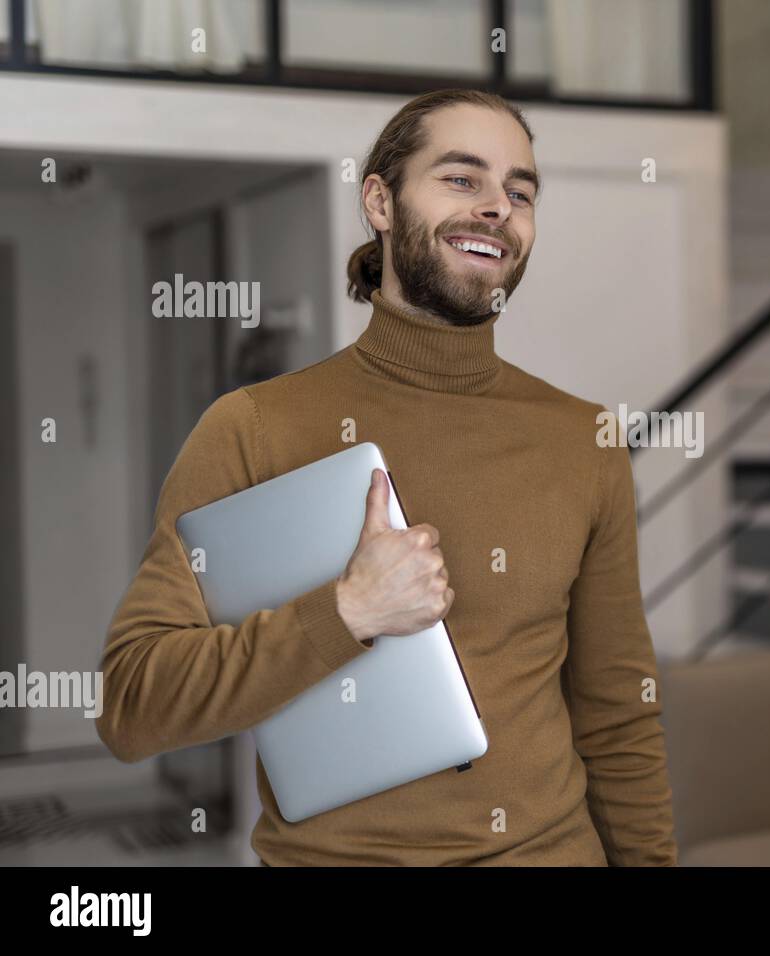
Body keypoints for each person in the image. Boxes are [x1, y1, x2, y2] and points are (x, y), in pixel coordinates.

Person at [96, 89, 678, 866]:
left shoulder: (587, 440)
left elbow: (617, 716)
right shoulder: (254, 429)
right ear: (380, 200)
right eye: (462, 179)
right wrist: (346, 612)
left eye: (521, 191)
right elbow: (131, 707)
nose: (498, 208)